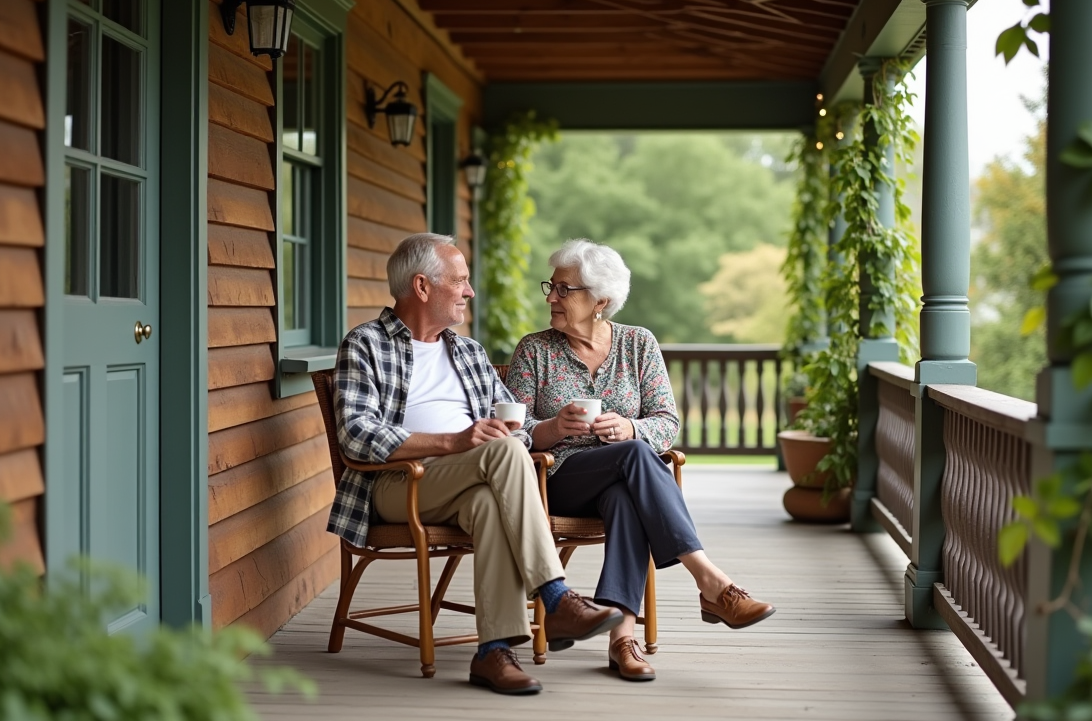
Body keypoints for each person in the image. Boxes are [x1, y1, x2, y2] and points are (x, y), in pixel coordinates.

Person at [327, 233, 623, 695]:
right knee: (504, 453)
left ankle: (493, 651)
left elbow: (517, 426)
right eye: (460, 281)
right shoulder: (365, 344)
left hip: (475, 476)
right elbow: (356, 434)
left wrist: (516, 433)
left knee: (491, 499)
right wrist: (454, 441)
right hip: (398, 482)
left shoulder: (467, 351)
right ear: (422, 287)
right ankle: (555, 595)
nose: (469, 291)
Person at [505, 238, 775, 682]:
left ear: (601, 301)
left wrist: (632, 429)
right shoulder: (534, 350)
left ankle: (622, 640)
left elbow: (667, 421)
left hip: (624, 480)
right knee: (634, 458)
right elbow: (512, 431)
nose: (552, 297)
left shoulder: (638, 344)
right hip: (555, 478)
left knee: (626, 493)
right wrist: (555, 428)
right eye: (550, 288)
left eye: (564, 289)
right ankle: (710, 580)